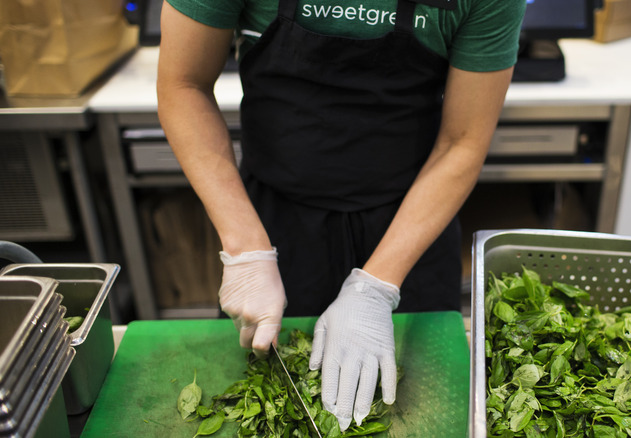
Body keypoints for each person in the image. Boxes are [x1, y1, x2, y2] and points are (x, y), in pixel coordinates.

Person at [157, 0, 525, 430]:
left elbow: (462, 141)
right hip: (272, 224)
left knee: (416, 410)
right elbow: (183, 85)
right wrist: (245, 247)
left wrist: (375, 288)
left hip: (410, 224)